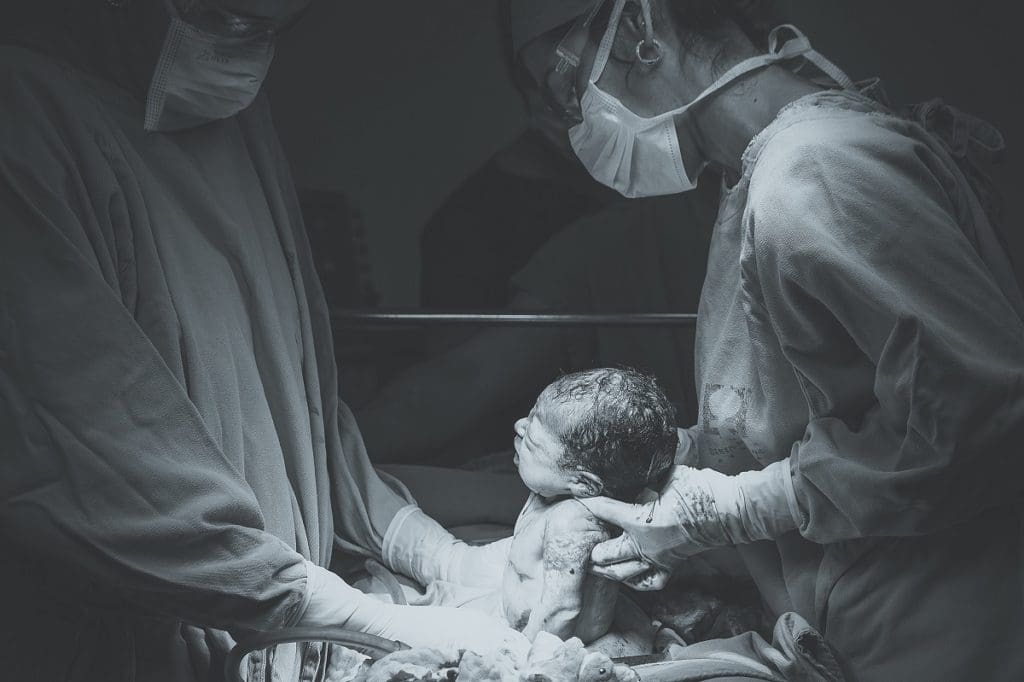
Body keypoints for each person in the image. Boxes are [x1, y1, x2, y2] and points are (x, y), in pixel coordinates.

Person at [0, 1, 528, 680]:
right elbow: (84, 464)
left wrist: (429, 552)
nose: (247, 37)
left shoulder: (233, 114)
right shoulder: (25, 121)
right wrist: (345, 612)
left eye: (273, 19)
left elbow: (301, 413)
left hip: (272, 630)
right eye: (228, 13)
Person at [505, 0, 1024, 680]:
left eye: (566, 82)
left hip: (935, 631)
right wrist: (668, 472)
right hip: (857, 612)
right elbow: (802, 400)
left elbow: (979, 421)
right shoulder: (760, 174)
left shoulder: (816, 170)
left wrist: (736, 509)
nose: (572, 116)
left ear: (638, 31)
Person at [377, 368, 676, 657]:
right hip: (507, 605)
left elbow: (562, 611)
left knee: (421, 625)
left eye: (532, 443)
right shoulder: (555, 491)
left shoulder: (572, 523)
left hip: (532, 635)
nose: (520, 426)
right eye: (530, 416)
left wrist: (528, 652)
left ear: (584, 484)